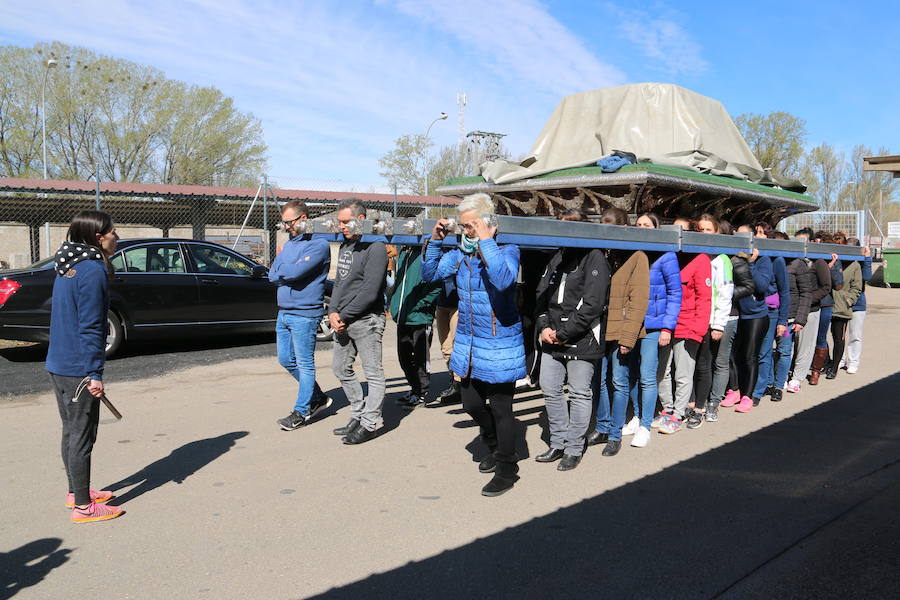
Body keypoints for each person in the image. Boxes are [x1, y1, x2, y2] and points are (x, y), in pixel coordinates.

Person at [422, 192, 526, 497]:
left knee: (502, 408)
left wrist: (486, 241)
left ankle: (508, 469)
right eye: (463, 227)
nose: (466, 232)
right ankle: (495, 446)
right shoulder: (460, 256)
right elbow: (429, 275)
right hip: (468, 345)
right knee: (470, 403)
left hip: (499, 345)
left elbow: (504, 280)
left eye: (471, 226)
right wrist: (437, 241)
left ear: (487, 224)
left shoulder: (508, 250)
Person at [46, 209, 123, 524]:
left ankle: (75, 491)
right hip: (78, 367)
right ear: (97, 237)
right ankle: (82, 507)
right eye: (113, 231)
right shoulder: (91, 270)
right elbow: (92, 325)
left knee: (72, 431)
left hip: (59, 363)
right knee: (82, 435)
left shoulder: (68, 264)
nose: (117, 236)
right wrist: (94, 372)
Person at [534, 209, 610, 471]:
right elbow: (541, 294)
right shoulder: (558, 256)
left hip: (582, 338)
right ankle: (558, 442)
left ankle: (574, 447)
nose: (565, 232)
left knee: (579, 393)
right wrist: (544, 325)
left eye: (570, 227)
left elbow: (593, 304)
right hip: (551, 337)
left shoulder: (594, 257)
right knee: (550, 387)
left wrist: (564, 333)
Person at [589, 207, 649, 456]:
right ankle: (602, 427)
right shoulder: (604, 254)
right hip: (601, 327)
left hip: (622, 328)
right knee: (599, 381)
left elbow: (638, 301)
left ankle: (615, 433)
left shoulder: (637, 256)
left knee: (619, 382)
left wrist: (628, 337)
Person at [328, 198, 389, 445]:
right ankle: (358, 413)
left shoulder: (375, 247)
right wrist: (332, 311)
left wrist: (343, 315)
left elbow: (370, 291)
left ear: (360, 219)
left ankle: (370, 422)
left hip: (367, 320)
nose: (340, 226)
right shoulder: (346, 246)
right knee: (340, 368)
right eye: (339, 221)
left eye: (345, 221)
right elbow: (340, 282)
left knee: (373, 373)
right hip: (343, 319)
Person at [270, 200, 333, 431]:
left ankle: (302, 411)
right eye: (284, 223)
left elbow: (294, 272)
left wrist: (284, 270)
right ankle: (317, 397)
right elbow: (272, 274)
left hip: (305, 315)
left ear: (303, 219)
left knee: (305, 364)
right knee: (286, 359)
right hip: (285, 312)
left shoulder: (318, 245)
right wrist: (285, 270)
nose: (286, 227)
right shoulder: (289, 245)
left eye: (290, 222)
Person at [621, 212, 680, 447]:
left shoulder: (666, 256)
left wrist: (667, 327)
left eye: (647, 225)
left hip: (653, 325)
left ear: (656, 229)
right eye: (638, 225)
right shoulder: (632, 255)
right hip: (631, 324)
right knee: (632, 374)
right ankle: (636, 416)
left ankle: (646, 425)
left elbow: (676, 294)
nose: (642, 228)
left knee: (647, 376)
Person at [688, 214, 734, 427]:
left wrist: (718, 324)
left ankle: (701, 407)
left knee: (705, 365)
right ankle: (690, 403)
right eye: (701, 229)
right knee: (691, 364)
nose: (704, 234)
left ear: (716, 233)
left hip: (708, 321)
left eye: (708, 230)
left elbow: (725, 294)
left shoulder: (721, 260)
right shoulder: (695, 255)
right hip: (691, 319)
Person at [722, 224, 772, 413]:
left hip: (756, 316)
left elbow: (761, 287)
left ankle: (748, 396)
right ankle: (734, 390)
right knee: (732, 355)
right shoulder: (732, 257)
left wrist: (751, 263)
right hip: (736, 314)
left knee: (750, 356)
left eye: (746, 235)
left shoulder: (763, 260)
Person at [709, 220, 755, 421]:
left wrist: (724, 294)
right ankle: (730, 390)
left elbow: (749, 286)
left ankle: (721, 397)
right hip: (714, 312)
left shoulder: (736, 260)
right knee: (715, 358)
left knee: (724, 358)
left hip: (730, 313)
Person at [389, 244, 441, 408]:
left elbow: (437, 284)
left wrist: (422, 304)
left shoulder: (426, 253)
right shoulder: (404, 252)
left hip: (420, 317)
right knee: (404, 357)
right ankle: (414, 389)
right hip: (403, 316)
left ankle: (421, 392)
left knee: (420, 358)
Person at [769, 231, 814, 400]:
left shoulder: (797, 264)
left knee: (784, 351)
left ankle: (779, 385)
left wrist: (800, 319)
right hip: (770, 315)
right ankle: (769, 382)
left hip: (789, 317)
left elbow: (806, 292)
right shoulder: (768, 262)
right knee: (767, 352)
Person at [750, 222, 790, 406]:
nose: (758, 236)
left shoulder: (777, 260)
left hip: (771, 312)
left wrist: (782, 321)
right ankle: (767, 383)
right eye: (755, 233)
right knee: (757, 351)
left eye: (761, 233)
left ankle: (758, 391)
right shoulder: (751, 256)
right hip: (753, 309)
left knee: (764, 352)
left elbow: (784, 292)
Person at [788, 228, 832, 392]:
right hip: (792, 309)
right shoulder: (792, 260)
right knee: (790, 344)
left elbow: (826, 287)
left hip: (811, 310)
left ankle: (797, 378)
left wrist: (806, 300)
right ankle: (788, 372)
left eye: (803, 241)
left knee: (806, 345)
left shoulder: (818, 261)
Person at [811, 232, 842, 384]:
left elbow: (838, 285)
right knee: (807, 337)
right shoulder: (810, 258)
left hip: (825, 303)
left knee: (821, 336)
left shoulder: (834, 260)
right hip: (810, 303)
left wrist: (831, 267)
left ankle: (816, 371)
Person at [830, 253, 863, 380]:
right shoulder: (827, 260)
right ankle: (828, 362)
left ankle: (835, 366)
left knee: (839, 337)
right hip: (826, 303)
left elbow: (857, 286)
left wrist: (848, 300)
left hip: (842, 306)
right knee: (823, 338)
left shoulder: (854, 264)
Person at [844, 240, 872, 374]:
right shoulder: (842, 261)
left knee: (855, 335)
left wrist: (867, 259)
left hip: (858, 304)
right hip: (841, 303)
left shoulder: (861, 262)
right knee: (839, 335)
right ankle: (841, 360)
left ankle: (853, 361)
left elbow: (867, 276)